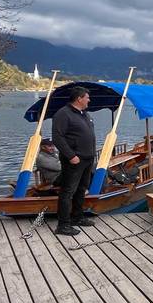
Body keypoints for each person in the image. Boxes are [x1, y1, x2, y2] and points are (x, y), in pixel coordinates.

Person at [52, 86, 96, 236]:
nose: (89, 100)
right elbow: (58, 138)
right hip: (74, 160)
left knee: (81, 189)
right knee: (68, 191)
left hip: (87, 159)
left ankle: (77, 217)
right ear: (79, 98)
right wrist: (71, 156)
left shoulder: (85, 114)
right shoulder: (63, 114)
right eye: (87, 97)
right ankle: (63, 225)